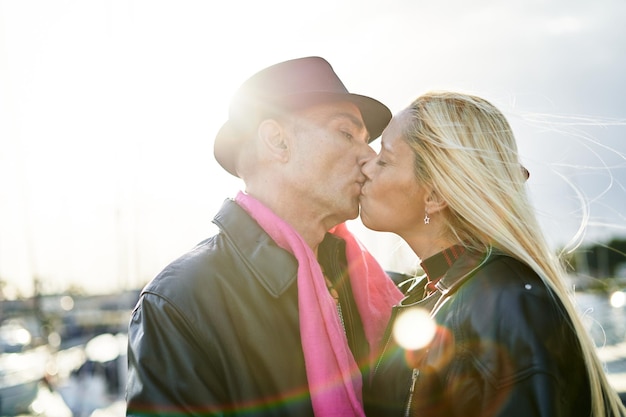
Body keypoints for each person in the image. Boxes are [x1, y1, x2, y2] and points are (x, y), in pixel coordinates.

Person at [125, 56, 404, 416]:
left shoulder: (362, 281)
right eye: (346, 133)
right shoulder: (179, 303)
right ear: (278, 142)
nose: (369, 157)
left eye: (368, 141)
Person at [360, 91, 626, 416]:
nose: (366, 167)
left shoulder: (506, 300)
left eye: (384, 159)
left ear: (434, 195)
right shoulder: (440, 292)